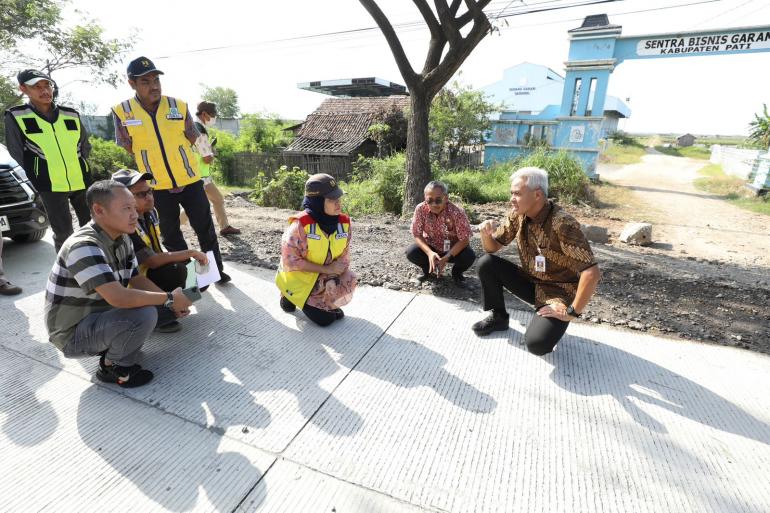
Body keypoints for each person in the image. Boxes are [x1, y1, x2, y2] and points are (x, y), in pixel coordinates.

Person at [44, 180, 193, 387]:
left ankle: (116, 347)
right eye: (126, 208)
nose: (134, 214)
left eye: (134, 207)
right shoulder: (84, 245)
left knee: (161, 311)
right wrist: (169, 297)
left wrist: (170, 304)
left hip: (100, 317)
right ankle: (113, 367)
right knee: (145, 313)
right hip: (73, 334)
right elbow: (119, 297)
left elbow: (137, 279)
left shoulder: (122, 238)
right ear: (98, 210)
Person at [111, 56, 231, 284]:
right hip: (157, 187)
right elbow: (126, 145)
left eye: (156, 79)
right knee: (171, 235)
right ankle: (189, 278)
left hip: (190, 179)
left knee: (205, 229)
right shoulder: (122, 112)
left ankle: (215, 272)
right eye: (145, 81)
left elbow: (193, 133)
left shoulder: (177, 106)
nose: (154, 85)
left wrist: (206, 151)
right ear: (132, 83)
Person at [473, 167, 601, 355]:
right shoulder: (518, 214)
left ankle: (552, 320)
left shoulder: (563, 223)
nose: (512, 199)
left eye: (517, 193)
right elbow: (492, 248)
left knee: (537, 344)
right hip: (532, 280)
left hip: (559, 291)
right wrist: (485, 234)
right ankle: (499, 317)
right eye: (512, 193)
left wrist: (571, 312)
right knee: (487, 263)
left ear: (537, 195)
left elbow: (591, 273)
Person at [4, 69, 91, 252]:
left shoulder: (71, 114)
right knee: (64, 234)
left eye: (47, 85)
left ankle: (100, 266)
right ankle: (67, 275)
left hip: (81, 180)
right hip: (50, 184)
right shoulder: (16, 116)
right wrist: (38, 171)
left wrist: (80, 166)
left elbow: (85, 146)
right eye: (37, 87)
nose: (45, 91)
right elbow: (16, 151)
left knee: (92, 228)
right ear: (23, 89)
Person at [112, 168, 209, 333]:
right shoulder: (124, 224)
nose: (149, 196)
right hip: (133, 284)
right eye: (141, 194)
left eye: (149, 191)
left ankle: (179, 305)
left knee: (201, 274)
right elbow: (152, 261)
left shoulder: (150, 213)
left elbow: (157, 250)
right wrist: (190, 252)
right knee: (176, 271)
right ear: (124, 199)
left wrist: (188, 259)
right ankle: (164, 313)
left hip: (148, 275)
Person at [275, 173, 357, 327]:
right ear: (318, 202)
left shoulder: (343, 223)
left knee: (349, 278)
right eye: (332, 200)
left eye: (339, 198)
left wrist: (332, 276)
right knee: (326, 320)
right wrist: (327, 268)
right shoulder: (300, 227)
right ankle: (288, 295)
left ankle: (322, 302)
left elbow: (344, 257)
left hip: (324, 277)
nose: (338, 204)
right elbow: (290, 262)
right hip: (299, 279)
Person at [180, 101, 240, 236]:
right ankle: (167, 228)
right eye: (213, 115)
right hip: (198, 176)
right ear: (204, 114)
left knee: (218, 199)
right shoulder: (198, 130)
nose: (215, 118)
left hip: (201, 175)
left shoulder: (193, 127)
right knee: (194, 207)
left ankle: (224, 227)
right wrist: (212, 152)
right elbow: (207, 158)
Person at [406, 180, 475, 286]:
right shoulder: (420, 209)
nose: (434, 204)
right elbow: (417, 234)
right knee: (411, 252)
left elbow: (464, 240)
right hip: (431, 246)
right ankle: (428, 270)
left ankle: (456, 273)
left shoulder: (457, 212)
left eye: (438, 200)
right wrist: (429, 253)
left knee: (468, 256)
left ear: (446, 198)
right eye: (430, 200)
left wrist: (447, 257)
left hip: (452, 250)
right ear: (425, 198)